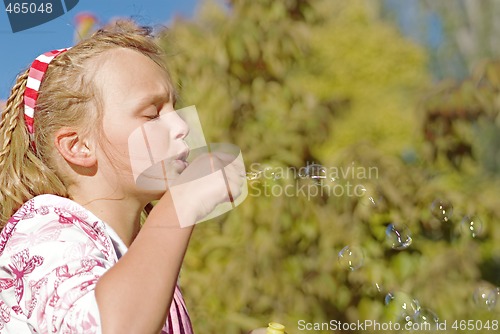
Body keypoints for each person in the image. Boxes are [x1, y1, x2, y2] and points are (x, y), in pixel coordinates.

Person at [0, 20, 243, 333]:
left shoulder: (142, 269)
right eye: (152, 113)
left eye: (174, 107)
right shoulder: (42, 231)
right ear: (79, 146)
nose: (181, 126)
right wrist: (181, 202)